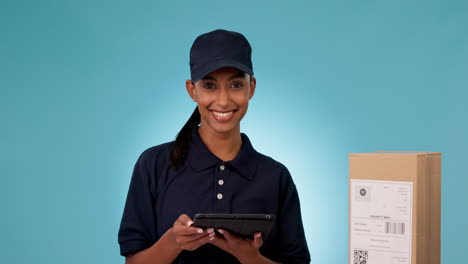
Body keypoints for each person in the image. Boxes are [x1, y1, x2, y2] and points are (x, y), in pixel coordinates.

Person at [118, 29, 310, 264]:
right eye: (209, 86)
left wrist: (250, 258)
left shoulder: (276, 176)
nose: (223, 100)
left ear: (251, 88)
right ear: (192, 90)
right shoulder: (154, 164)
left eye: (236, 84)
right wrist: (173, 241)